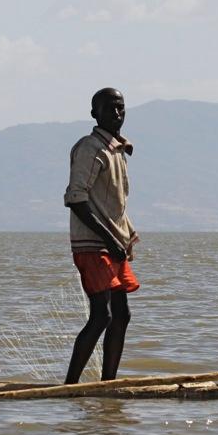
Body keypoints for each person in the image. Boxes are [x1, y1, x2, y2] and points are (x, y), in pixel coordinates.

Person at [63, 87, 140, 384]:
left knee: (121, 315)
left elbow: (114, 204)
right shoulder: (90, 148)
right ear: (95, 113)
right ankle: (70, 386)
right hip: (94, 243)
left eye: (121, 108)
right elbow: (76, 199)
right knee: (102, 316)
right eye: (110, 109)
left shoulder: (118, 150)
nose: (117, 114)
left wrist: (125, 235)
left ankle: (109, 384)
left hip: (112, 243)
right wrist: (109, 238)